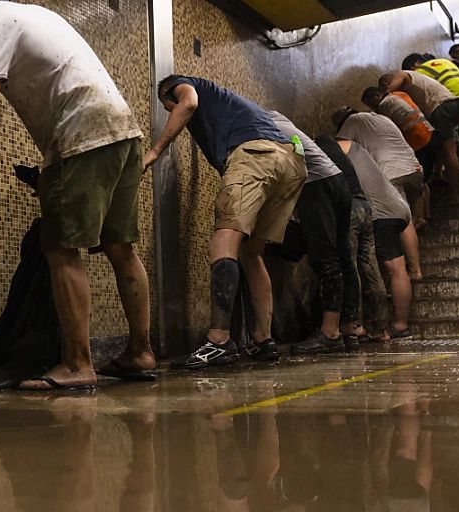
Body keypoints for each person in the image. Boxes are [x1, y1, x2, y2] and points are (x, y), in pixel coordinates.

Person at [0, 0, 153, 390]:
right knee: (120, 246)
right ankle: (140, 353)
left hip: (81, 134)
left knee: (60, 249)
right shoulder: (27, 13)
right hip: (121, 132)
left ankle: (77, 365)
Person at [147, 75, 306, 368]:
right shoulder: (229, 104)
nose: (173, 112)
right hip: (291, 163)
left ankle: (219, 341)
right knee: (251, 252)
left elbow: (189, 103)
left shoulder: (180, 85)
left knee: (223, 241)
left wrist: (155, 150)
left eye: (168, 107)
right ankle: (263, 339)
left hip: (255, 155)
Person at [268, 112, 357, 355]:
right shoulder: (286, 124)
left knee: (324, 258)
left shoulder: (263, 124)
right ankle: (348, 327)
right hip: (337, 184)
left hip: (316, 185)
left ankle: (330, 333)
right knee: (341, 256)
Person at [333, 108, 425, 281]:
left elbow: (337, 147)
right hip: (414, 168)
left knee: (404, 222)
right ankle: (422, 217)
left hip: (392, 171)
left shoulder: (353, 120)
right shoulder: (382, 117)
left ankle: (415, 269)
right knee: (412, 202)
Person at [316, 136, 390, 343]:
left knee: (349, 267)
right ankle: (380, 329)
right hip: (365, 208)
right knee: (370, 267)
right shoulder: (338, 152)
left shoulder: (318, 149)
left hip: (349, 210)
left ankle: (354, 324)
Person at [337, 139, 414, 339]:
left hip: (381, 211)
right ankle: (398, 325)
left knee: (387, 269)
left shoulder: (339, 150)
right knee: (398, 267)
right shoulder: (358, 149)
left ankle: (396, 325)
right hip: (396, 205)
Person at [379, 70, 459, 203]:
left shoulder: (401, 74)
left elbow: (396, 83)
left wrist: (383, 95)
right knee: (443, 147)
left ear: (385, 83)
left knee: (449, 153)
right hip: (451, 104)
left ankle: (454, 195)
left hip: (440, 108)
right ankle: (439, 175)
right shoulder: (418, 84)